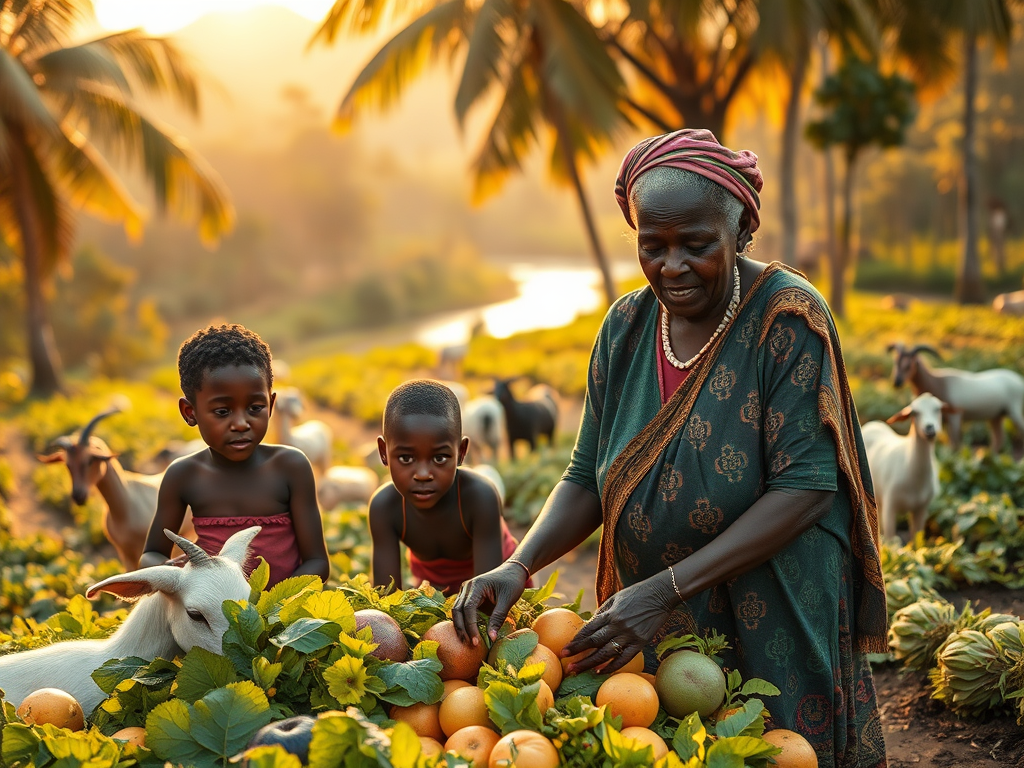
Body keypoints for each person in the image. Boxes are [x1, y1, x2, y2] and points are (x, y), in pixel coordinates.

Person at [451, 129, 888, 768]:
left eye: (697, 244)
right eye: (652, 247)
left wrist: (666, 590)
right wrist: (522, 566)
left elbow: (808, 486)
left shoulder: (786, 319)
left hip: (772, 606)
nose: (672, 266)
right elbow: (584, 475)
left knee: (775, 749)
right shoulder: (626, 327)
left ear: (739, 230)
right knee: (670, 746)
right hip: (655, 614)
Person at [139, 324, 330, 588]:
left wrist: (272, 604)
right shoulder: (183, 476)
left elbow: (317, 562)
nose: (241, 423)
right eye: (222, 411)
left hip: (286, 615)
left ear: (271, 405)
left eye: (255, 407)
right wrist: (177, 575)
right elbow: (151, 554)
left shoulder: (291, 467)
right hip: (214, 618)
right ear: (190, 412)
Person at [369, 379, 529, 596]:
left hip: (500, 592)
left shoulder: (479, 497)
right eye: (406, 458)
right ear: (383, 452)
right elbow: (385, 598)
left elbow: (487, 598)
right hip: (434, 595)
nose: (423, 474)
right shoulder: (385, 507)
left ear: (461, 452)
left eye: (440, 457)